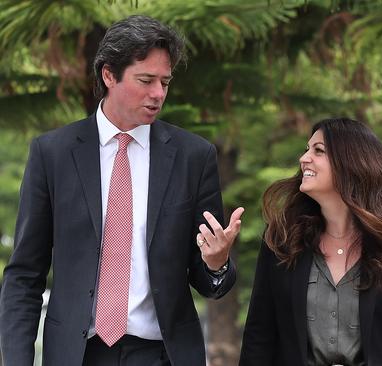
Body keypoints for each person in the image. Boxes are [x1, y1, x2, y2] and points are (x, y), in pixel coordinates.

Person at [0, 15, 244, 366]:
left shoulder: (194, 157)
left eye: (165, 81)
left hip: (163, 354)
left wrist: (217, 264)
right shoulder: (52, 154)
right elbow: (24, 275)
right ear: (109, 75)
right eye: (146, 80)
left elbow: (210, 282)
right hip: (76, 354)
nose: (158, 93)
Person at [239, 117, 382, 365]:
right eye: (307, 149)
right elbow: (259, 337)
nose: (304, 158)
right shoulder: (281, 239)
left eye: (318, 150)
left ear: (351, 163)